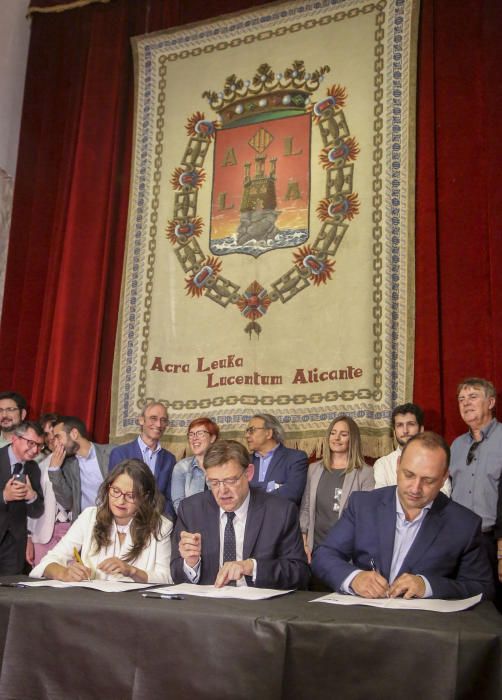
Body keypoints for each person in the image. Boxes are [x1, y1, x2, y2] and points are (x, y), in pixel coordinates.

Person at [312, 432, 494, 600]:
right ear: (398, 466)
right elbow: (324, 555)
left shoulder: (464, 524)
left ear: (444, 477)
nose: (415, 488)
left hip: (425, 629)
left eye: (428, 480)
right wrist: (354, 578)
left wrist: (428, 586)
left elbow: (482, 587)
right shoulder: (363, 505)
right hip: (365, 622)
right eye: (409, 475)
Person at [171, 440, 309, 589]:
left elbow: (300, 573)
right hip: (209, 606)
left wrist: (252, 567)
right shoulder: (191, 510)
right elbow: (177, 574)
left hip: (258, 608)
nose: (222, 491)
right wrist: (191, 564)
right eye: (214, 483)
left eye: (230, 481)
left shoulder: (280, 512)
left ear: (249, 473)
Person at [31, 459, 173, 584]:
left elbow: (166, 578)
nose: (120, 500)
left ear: (145, 497)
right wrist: (64, 573)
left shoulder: (161, 526)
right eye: (115, 491)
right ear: (107, 488)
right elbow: (48, 562)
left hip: (135, 608)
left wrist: (132, 571)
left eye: (130, 495)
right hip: (93, 604)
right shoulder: (90, 517)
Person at [449, 378, 502, 605]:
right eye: (461, 399)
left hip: (492, 542)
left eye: (473, 397)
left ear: (490, 402)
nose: (465, 403)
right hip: (458, 541)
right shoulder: (456, 445)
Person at [300, 416, 374, 564]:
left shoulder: (365, 472)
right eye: (333, 433)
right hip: (315, 551)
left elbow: (366, 517)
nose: (337, 438)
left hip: (347, 555)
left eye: (344, 434)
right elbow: (306, 508)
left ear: (352, 439)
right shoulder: (314, 469)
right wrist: (304, 542)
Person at [108, 401, 176, 518]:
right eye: (153, 418)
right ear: (141, 420)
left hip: (157, 524)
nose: (159, 424)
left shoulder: (169, 459)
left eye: (163, 420)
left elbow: (169, 499)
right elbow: (114, 494)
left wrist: (163, 523)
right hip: (125, 521)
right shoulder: (120, 454)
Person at [373, 402, 451, 496]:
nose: (405, 430)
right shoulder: (382, 464)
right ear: (394, 432)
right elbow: (381, 498)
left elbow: (444, 495)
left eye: (411, 424)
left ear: (421, 429)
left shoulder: (437, 460)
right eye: (400, 425)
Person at [26, 413, 72, 567]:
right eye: (46, 434)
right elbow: (33, 503)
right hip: (43, 535)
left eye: (54, 432)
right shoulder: (39, 466)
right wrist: (30, 538)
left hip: (71, 533)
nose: (51, 437)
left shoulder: (77, 462)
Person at [0, 421, 44, 574]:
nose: (35, 450)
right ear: (14, 439)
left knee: (9, 594)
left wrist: (31, 496)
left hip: (14, 546)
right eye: (31, 443)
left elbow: (37, 511)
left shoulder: (33, 469)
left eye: (40, 445)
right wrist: (4, 496)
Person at [48, 416, 112, 519]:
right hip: (87, 525)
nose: (55, 443)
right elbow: (67, 503)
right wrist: (54, 470)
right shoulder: (67, 466)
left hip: (117, 523)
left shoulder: (112, 452)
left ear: (74, 434)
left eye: (58, 437)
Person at [245, 413, 308, 505]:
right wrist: (271, 487)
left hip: (281, 517)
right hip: (251, 518)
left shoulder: (296, 458)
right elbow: (239, 493)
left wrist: (254, 493)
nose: (247, 435)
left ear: (269, 433)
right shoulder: (244, 461)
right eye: (247, 431)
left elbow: (292, 493)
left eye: (251, 430)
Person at [171, 417, 219, 513]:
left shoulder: (223, 465)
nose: (194, 438)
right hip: (190, 523)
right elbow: (178, 505)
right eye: (191, 434)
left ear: (212, 438)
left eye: (200, 433)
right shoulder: (181, 467)